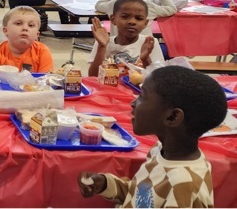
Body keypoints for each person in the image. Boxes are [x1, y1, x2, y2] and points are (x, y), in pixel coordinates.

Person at [78, 66, 227, 208]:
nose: (133, 102)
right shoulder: (160, 150)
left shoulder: (184, 184)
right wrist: (105, 184)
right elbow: (141, 197)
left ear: (172, 117)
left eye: (142, 96)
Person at [87, 0, 165, 77]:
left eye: (139, 18)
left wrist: (145, 59)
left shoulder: (149, 43)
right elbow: (93, 76)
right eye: (125, 16)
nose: (132, 22)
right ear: (113, 19)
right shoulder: (103, 43)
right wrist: (102, 47)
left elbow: (157, 79)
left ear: (145, 23)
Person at [0, 6, 53, 74]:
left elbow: (45, 81)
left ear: (37, 34)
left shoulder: (42, 52)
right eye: (18, 23)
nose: (25, 28)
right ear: (5, 30)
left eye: (31, 25)